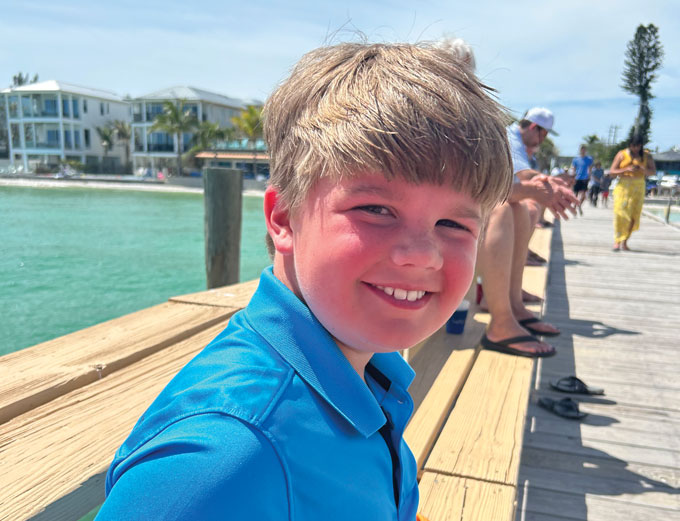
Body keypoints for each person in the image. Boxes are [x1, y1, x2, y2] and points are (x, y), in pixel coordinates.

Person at [96, 42, 512, 521]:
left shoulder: (366, 364)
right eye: (376, 210)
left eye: (454, 225)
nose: (420, 253)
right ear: (284, 219)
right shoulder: (221, 461)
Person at [478, 107, 579, 358]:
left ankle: (512, 305)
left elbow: (521, 179)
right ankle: (501, 321)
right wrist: (540, 188)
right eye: (543, 134)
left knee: (520, 210)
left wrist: (545, 184)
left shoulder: (513, 141)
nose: (543, 141)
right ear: (534, 127)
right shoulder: (508, 138)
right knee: (505, 209)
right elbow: (507, 186)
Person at [609, 135, 656, 251]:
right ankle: (617, 240)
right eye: (634, 146)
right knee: (620, 213)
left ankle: (625, 241)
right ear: (630, 145)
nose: (636, 148)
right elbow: (612, 172)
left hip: (638, 186)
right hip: (624, 186)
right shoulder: (621, 154)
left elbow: (653, 171)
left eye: (638, 146)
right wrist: (626, 169)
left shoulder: (646, 156)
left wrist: (642, 169)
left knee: (633, 216)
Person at [571, 145, 594, 214]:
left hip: (585, 178)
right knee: (575, 194)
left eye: (584, 149)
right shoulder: (575, 159)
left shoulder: (589, 159)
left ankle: (579, 204)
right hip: (577, 178)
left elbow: (590, 168)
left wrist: (589, 176)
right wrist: (572, 177)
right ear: (580, 150)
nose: (583, 151)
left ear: (585, 150)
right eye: (581, 149)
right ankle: (574, 208)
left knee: (583, 195)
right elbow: (574, 169)